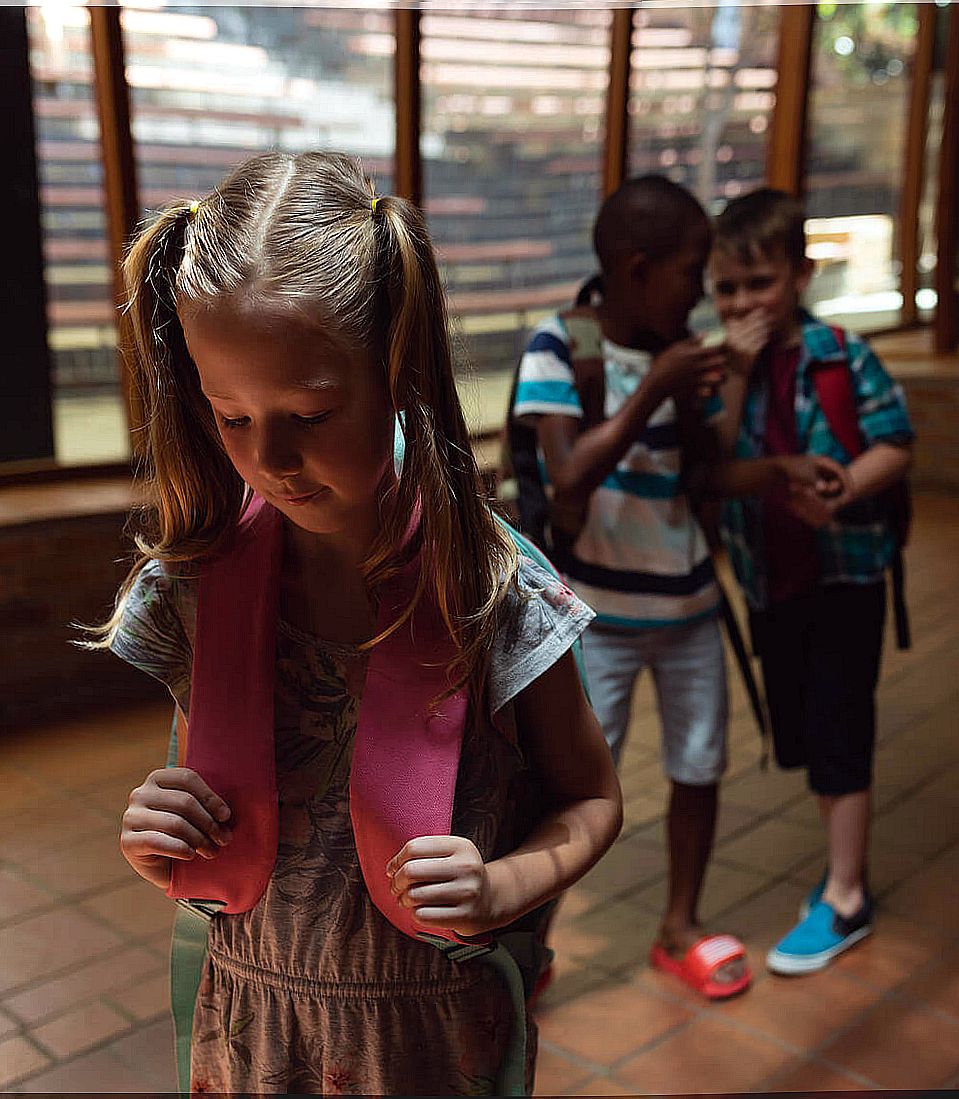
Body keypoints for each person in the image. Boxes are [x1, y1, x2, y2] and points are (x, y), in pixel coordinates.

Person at [91, 151, 622, 1096]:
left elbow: (592, 797)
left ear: (399, 375)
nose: (273, 458)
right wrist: (153, 834)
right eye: (233, 417)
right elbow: (203, 791)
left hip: (428, 1043)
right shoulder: (194, 586)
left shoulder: (497, 592)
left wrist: (503, 887)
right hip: (246, 1033)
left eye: (310, 412)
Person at [507, 176, 771, 1000]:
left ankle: (679, 927)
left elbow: (702, 469)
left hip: (690, 608)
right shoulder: (559, 347)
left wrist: (772, 457)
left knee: (699, 766)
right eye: (693, 272)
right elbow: (566, 482)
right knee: (575, 784)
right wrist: (656, 385)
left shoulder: (683, 348)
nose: (702, 291)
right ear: (636, 267)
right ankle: (531, 948)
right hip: (597, 621)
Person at [707, 188, 915, 975]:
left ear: (799, 274)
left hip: (846, 575)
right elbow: (715, 459)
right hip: (770, 577)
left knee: (839, 724)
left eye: (758, 283)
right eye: (726, 289)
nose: (742, 302)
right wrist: (733, 370)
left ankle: (849, 892)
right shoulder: (721, 365)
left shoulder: (843, 355)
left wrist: (845, 488)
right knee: (798, 725)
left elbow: (895, 440)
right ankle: (839, 869)